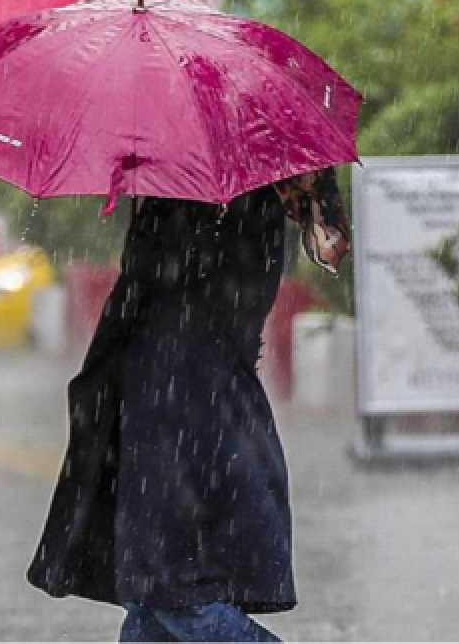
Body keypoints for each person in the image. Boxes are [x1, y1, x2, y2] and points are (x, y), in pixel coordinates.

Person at [27, 168, 350, 643]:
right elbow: (329, 245)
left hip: (183, 394)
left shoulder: (213, 166)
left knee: (173, 591)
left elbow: (327, 245)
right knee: (149, 594)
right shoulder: (246, 159)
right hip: (172, 391)